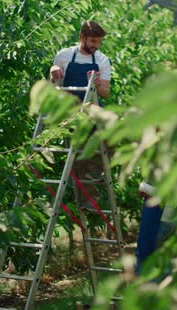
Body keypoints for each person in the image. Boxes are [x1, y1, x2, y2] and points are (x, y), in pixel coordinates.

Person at [50, 21, 112, 208]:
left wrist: (99, 83)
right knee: (79, 155)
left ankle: (96, 168)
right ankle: (88, 200)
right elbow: (54, 84)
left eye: (99, 42)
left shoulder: (102, 60)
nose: (95, 45)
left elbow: (105, 93)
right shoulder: (65, 55)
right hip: (68, 108)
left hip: (92, 107)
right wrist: (53, 72)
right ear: (82, 37)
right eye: (92, 41)